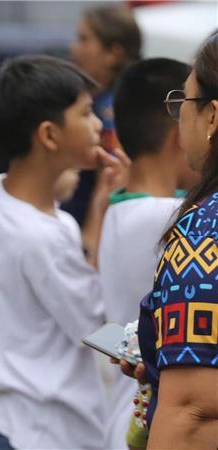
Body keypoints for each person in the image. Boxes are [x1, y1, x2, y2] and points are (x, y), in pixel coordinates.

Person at [0, 55, 127, 450]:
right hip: (40, 430)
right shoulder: (44, 237)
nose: (99, 125)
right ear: (49, 135)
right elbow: (100, 329)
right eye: (86, 113)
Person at [118, 32, 218, 449]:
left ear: (212, 116)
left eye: (184, 103)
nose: (179, 119)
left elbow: (192, 413)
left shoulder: (204, 233)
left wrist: (174, 380)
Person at [95, 57, 193, 449]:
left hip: (124, 418)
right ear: (178, 134)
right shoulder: (170, 217)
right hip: (154, 425)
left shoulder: (119, 205)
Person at [67, 4, 142, 251]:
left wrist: (89, 243)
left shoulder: (113, 108)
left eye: (84, 39)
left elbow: (109, 178)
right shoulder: (103, 99)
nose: (73, 48)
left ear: (114, 53)